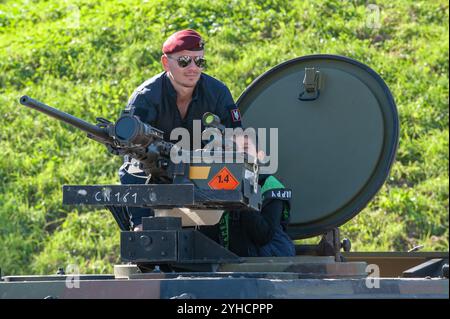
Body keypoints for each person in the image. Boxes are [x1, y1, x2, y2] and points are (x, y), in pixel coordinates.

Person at [117, 29, 242, 230]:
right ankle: (140, 227)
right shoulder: (146, 97)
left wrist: (214, 151)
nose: (193, 68)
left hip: (203, 173)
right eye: (184, 61)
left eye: (199, 61)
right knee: (132, 166)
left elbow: (236, 137)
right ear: (166, 63)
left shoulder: (218, 92)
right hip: (157, 172)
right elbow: (131, 151)